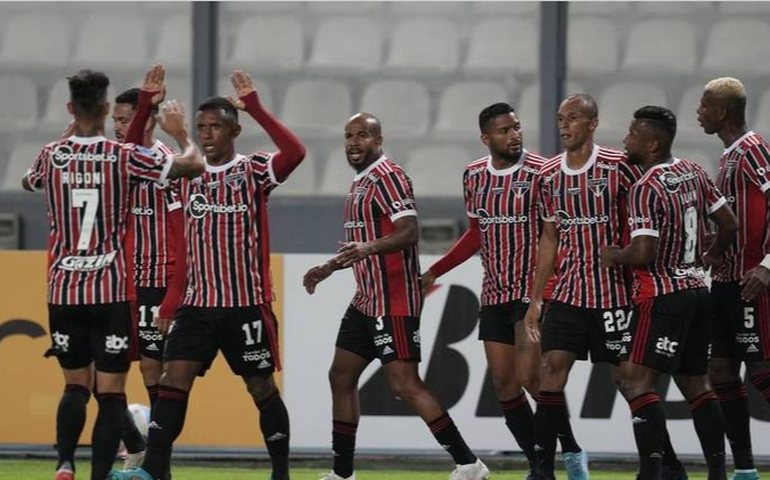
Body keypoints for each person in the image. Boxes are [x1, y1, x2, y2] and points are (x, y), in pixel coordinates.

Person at [109, 70, 306, 480]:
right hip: (196, 306)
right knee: (172, 380)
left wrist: (256, 108)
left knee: (261, 388)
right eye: (200, 127)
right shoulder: (186, 173)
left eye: (215, 126)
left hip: (244, 304)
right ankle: (152, 471)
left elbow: (295, 152)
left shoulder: (253, 171)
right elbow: (130, 154)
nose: (207, 134)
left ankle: (281, 473)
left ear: (235, 131)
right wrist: (145, 105)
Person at [22, 66, 204, 480]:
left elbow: (29, 181)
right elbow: (192, 165)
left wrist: (67, 137)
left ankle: (70, 462)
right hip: (112, 288)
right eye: (116, 116)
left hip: (72, 289)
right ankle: (109, 468)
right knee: (109, 391)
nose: (120, 124)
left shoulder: (52, 155)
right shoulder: (123, 157)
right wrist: (183, 135)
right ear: (106, 110)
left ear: (70, 108)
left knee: (80, 384)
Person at [303, 112, 489, 480]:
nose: (354, 142)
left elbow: (409, 232)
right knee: (340, 375)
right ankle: (342, 473)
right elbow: (361, 244)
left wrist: (368, 247)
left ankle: (469, 464)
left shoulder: (389, 177)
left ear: (379, 140)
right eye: (349, 136)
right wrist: (330, 267)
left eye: (363, 135)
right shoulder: (360, 183)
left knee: (404, 384)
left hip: (394, 299)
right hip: (366, 300)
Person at [523, 94, 684, 480]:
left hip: (616, 296)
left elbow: (651, 210)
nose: (564, 125)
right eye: (560, 118)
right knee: (550, 370)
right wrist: (536, 298)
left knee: (628, 381)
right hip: (568, 294)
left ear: (593, 123)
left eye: (573, 118)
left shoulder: (620, 167)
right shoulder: (548, 175)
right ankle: (543, 470)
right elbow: (549, 237)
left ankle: (669, 465)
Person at [420, 102, 583, 478]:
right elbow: (475, 234)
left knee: (530, 378)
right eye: (504, 130)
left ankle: (571, 451)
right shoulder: (474, 175)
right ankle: (538, 465)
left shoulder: (542, 171)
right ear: (486, 138)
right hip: (494, 293)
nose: (514, 135)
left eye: (516, 127)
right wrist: (435, 271)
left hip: (532, 291)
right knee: (504, 386)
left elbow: (556, 232)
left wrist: (554, 282)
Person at [601, 106, 737, 480]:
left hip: (661, 296)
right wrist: (711, 256)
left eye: (633, 134)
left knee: (634, 382)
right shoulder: (694, 172)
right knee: (697, 385)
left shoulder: (645, 187)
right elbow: (729, 223)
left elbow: (643, 252)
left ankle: (654, 473)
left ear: (653, 143)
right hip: (697, 291)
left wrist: (614, 254)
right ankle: (717, 474)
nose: (626, 139)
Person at [114, 78, 188, 477]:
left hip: (156, 280)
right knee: (103, 370)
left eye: (126, 119)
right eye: (115, 119)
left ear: (147, 120)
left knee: (151, 370)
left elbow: (182, 234)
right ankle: (140, 447)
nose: (119, 126)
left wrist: (173, 294)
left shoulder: (166, 165)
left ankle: (157, 462)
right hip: (119, 281)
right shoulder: (116, 161)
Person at [699, 77, 770, 480]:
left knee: (762, 371)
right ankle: (744, 470)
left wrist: (767, 265)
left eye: (704, 105)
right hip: (726, 282)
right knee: (722, 373)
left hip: (752, 281)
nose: (699, 113)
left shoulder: (753, 149)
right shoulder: (728, 156)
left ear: (722, 111)